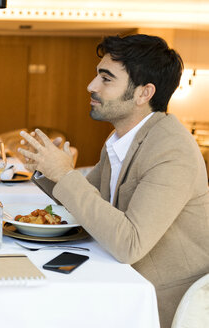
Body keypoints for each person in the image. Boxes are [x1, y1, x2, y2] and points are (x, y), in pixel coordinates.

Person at [19, 34, 209, 328]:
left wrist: (66, 174)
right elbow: (88, 200)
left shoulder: (172, 149)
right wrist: (47, 170)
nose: (91, 86)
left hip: (160, 303)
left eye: (106, 79)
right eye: (97, 76)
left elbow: (129, 244)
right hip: (120, 279)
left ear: (143, 93)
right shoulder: (121, 137)